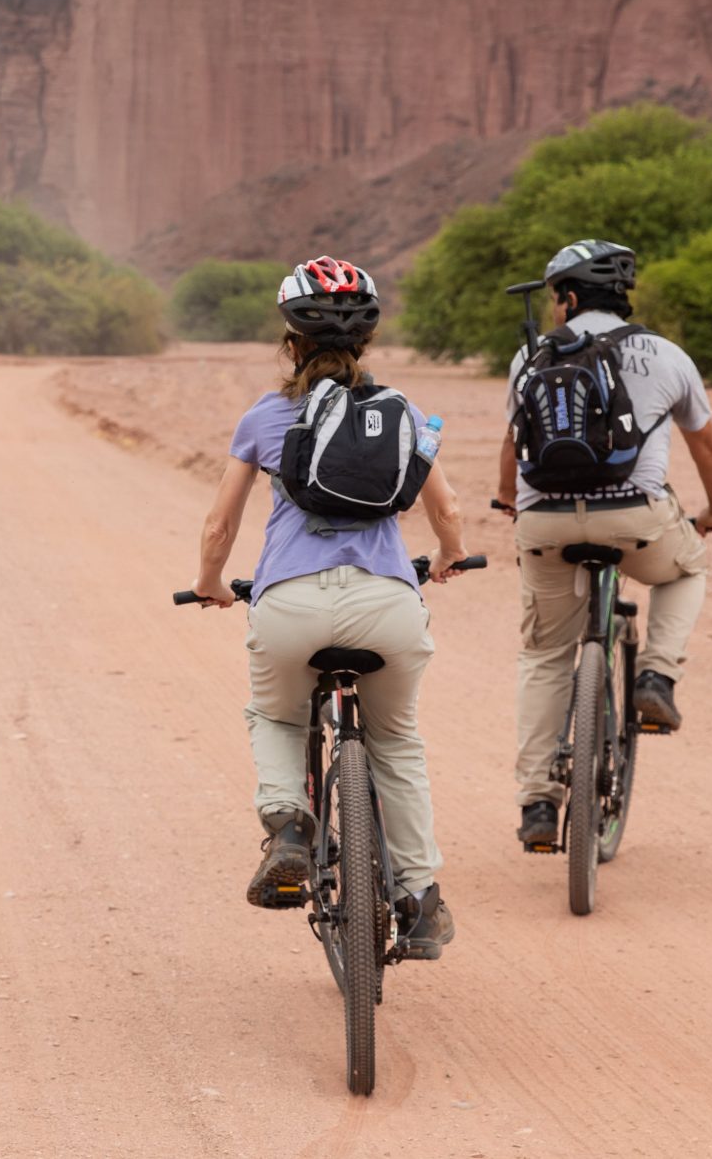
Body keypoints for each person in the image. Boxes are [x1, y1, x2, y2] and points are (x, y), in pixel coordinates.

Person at [189, 256, 469, 959]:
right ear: (367, 346)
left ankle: (289, 828)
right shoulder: (399, 411)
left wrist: (210, 583)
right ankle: (419, 897)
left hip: (290, 604)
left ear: (291, 342)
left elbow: (220, 524)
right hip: (387, 604)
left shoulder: (265, 415)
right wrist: (448, 557)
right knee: (396, 740)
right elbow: (448, 511)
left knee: (277, 714)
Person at [495, 239, 712, 852]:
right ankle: (656, 677)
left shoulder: (531, 358)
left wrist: (508, 505)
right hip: (636, 520)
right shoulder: (666, 354)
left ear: (568, 298)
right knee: (686, 571)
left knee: (547, 655)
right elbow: (709, 449)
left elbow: (512, 449)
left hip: (545, 524)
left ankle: (538, 806)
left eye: (556, 298)